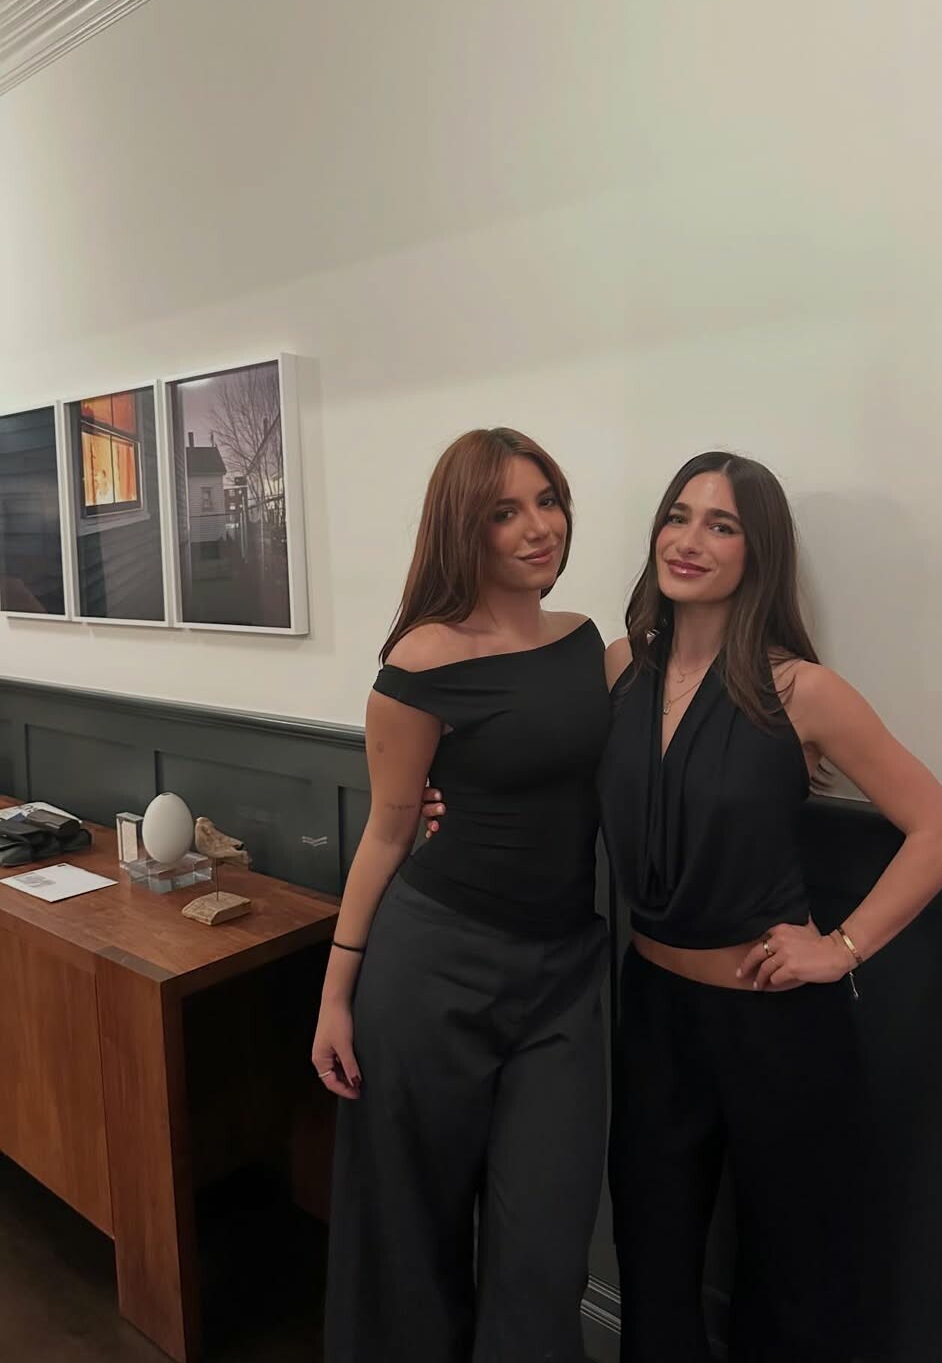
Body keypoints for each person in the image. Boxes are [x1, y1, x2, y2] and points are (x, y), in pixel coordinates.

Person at [425, 449, 942, 1363]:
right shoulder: (616, 669)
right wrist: (441, 796)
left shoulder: (800, 690)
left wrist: (840, 948)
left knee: (795, 1271)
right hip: (653, 1010)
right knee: (652, 1257)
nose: (690, 540)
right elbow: (526, 746)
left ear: (758, 552)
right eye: (678, 517)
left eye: (722, 526)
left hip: (778, 1023)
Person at [314, 427, 611, 1363]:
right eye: (505, 512)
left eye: (548, 501)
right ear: (462, 529)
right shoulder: (420, 664)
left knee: (546, 1250)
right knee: (409, 1236)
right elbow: (388, 831)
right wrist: (336, 994)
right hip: (434, 967)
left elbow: (681, 696)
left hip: (566, 975)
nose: (538, 527)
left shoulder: (589, 646)